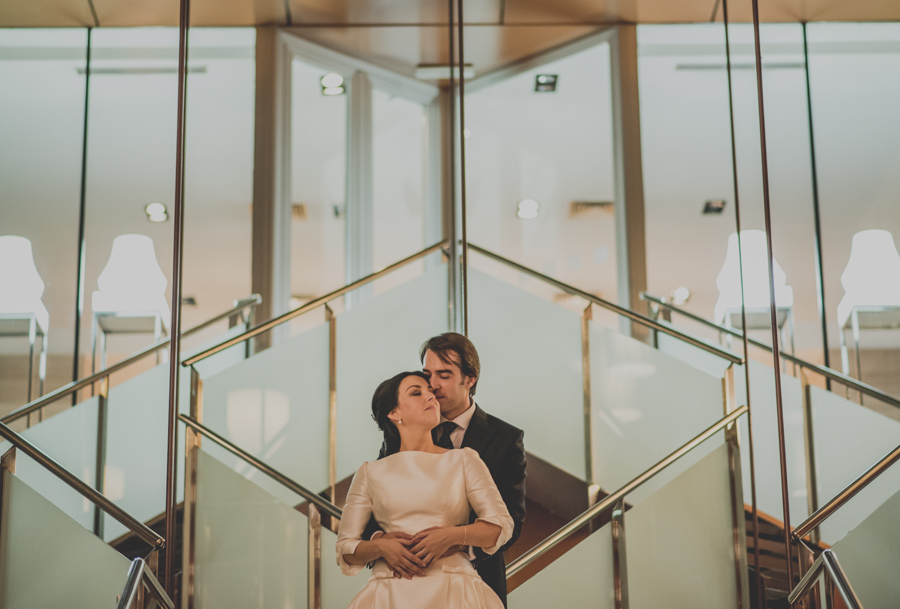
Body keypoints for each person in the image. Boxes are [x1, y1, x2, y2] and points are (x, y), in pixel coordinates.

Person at [369, 333, 526, 606]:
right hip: (402, 585)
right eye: (427, 373)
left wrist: (457, 543)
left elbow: (511, 519)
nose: (432, 384)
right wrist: (381, 542)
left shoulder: (504, 438)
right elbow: (375, 503)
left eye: (444, 375)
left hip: (473, 585)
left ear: (470, 379)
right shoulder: (402, 431)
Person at [336, 371, 513, 609]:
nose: (431, 397)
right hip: (389, 593)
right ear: (394, 413)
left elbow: (500, 525)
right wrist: (380, 546)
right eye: (417, 392)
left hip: (454, 590)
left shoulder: (464, 459)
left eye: (430, 391)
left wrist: (451, 535)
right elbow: (346, 548)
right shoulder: (370, 472)